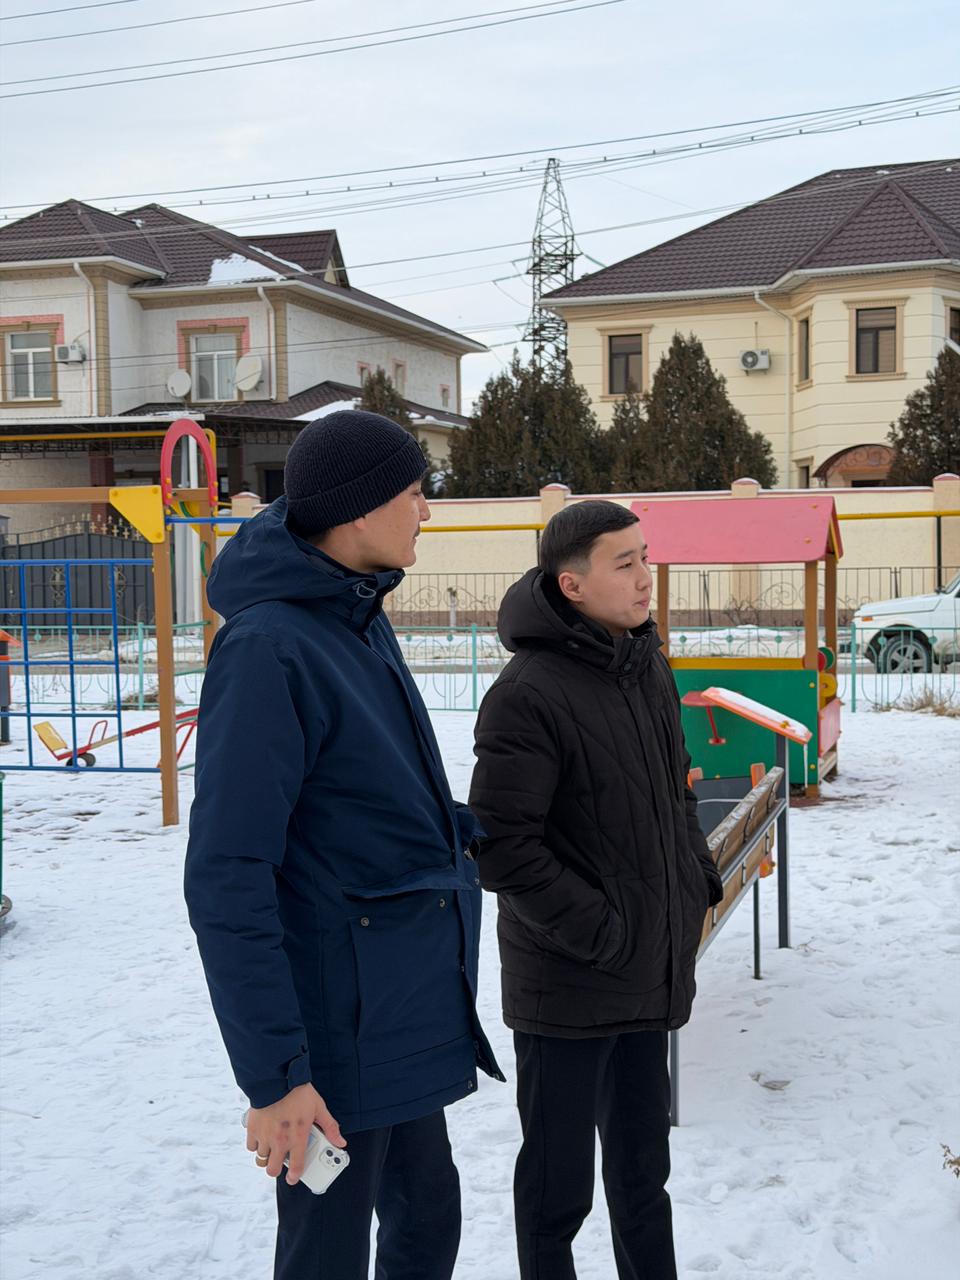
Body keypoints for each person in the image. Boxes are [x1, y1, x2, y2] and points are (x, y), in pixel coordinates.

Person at [184, 410, 502, 1280]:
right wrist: (278, 1078)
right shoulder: (268, 648)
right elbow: (227, 875)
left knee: (428, 1227)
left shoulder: (356, 613)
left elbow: (365, 805)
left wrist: (475, 832)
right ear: (359, 509)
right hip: (337, 1033)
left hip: (401, 1006)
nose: (426, 512)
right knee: (327, 1255)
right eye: (415, 493)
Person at [468, 499, 722, 1280]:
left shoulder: (645, 665)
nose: (646, 578)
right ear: (572, 585)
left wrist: (694, 881)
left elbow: (675, 794)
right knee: (558, 1197)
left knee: (645, 1183)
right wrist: (603, 933)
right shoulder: (527, 693)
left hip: (644, 974)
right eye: (625, 563)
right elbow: (502, 848)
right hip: (569, 990)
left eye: (645, 557)